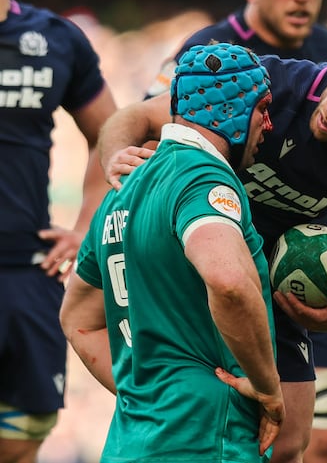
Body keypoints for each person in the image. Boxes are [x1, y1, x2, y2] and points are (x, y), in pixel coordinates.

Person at [100, 40, 327, 463]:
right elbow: (135, 116)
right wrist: (114, 160)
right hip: (195, 261)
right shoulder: (271, 83)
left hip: (274, 284)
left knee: (289, 442)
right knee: (185, 418)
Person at [142, 0, 327, 463]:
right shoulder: (206, 50)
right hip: (222, 273)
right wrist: (121, 161)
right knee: (250, 436)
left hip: (306, 271)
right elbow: (147, 128)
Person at [60, 42, 285, 462]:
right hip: (203, 439)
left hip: (131, 444)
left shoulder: (122, 190)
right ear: (231, 112)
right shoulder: (203, 177)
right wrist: (269, 387)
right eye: (262, 108)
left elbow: (76, 320)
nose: (269, 124)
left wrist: (148, 389)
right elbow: (228, 281)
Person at [0, 0, 118, 463]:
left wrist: (85, 227)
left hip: (26, 270)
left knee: (24, 436)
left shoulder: (56, 42)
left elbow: (112, 132)